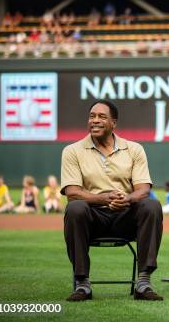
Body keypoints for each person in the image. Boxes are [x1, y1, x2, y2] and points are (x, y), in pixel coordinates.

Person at [61, 99, 163, 302]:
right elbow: (72, 192)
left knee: (151, 205)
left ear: (114, 123)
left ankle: (143, 283)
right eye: (92, 116)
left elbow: (143, 189)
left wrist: (127, 199)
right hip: (92, 218)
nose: (95, 121)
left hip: (125, 217)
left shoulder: (134, 149)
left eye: (101, 117)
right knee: (75, 208)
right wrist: (102, 198)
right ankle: (82, 284)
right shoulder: (72, 151)